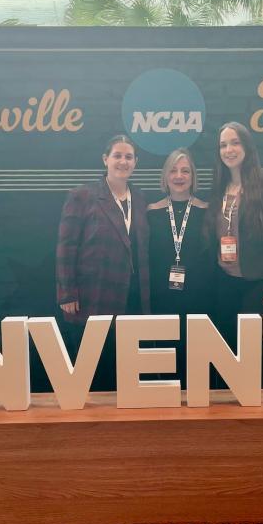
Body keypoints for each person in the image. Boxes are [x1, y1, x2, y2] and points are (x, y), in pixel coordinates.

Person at [56, 135, 150, 389]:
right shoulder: (83, 196)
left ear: (135, 162)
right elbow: (66, 247)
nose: (123, 161)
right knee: (94, 373)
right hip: (93, 295)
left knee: (126, 370)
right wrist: (67, 293)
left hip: (132, 297)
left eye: (128, 157)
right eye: (117, 155)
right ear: (105, 159)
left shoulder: (140, 199)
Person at [206, 121, 263, 341]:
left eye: (235, 143)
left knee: (253, 348)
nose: (229, 150)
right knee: (226, 344)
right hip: (223, 279)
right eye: (223, 145)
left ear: (247, 146)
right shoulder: (218, 186)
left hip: (258, 283)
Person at [146, 148, 212, 318]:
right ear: (165, 176)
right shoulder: (151, 212)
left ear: (193, 176)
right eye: (173, 170)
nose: (179, 176)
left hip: (201, 296)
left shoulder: (207, 211)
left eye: (185, 171)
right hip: (161, 296)